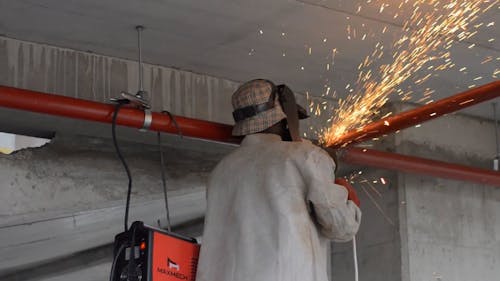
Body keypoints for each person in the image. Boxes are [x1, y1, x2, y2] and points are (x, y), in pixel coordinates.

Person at [196, 79, 361, 281]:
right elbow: (340, 226)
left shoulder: (221, 171)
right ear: (283, 117)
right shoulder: (306, 155)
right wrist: (350, 200)